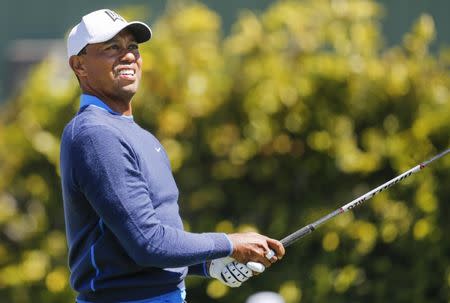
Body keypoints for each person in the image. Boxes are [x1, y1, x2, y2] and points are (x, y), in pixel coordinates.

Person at [60, 9, 285, 303]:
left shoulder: (137, 135)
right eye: (111, 47)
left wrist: (208, 265)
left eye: (132, 47)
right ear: (80, 65)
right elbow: (147, 243)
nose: (128, 56)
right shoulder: (95, 135)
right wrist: (228, 244)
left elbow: (141, 241)